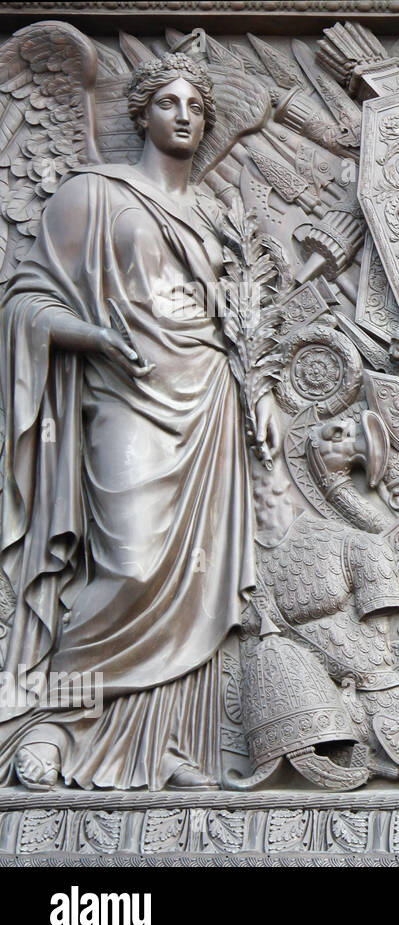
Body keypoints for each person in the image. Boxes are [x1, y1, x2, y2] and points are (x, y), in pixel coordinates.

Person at [0, 53, 277, 790]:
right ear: (141, 115)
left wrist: (264, 394)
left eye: (196, 106)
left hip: (210, 398)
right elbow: (25, 299)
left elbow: (242, 312)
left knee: (195, 578)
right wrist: (94, 338)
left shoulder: (218, 215)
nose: (184, 115)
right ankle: (52, 720)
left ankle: (162, 748)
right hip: (125, 396)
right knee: (125, 566)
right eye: (168, 103)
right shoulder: (92, 197)